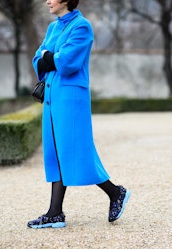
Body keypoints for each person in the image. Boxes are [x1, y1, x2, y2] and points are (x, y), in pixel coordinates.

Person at [28, 0, 130, 229]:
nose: (47, 1)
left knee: (76, 150)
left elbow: (66, 62)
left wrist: (48, 55)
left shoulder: (82, 27)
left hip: (71, 99)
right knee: (56, 152)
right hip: (53, 96)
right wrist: (48, 56)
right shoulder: (53, 27)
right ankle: (55, 213)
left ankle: (116, 192)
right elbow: (38, 58)